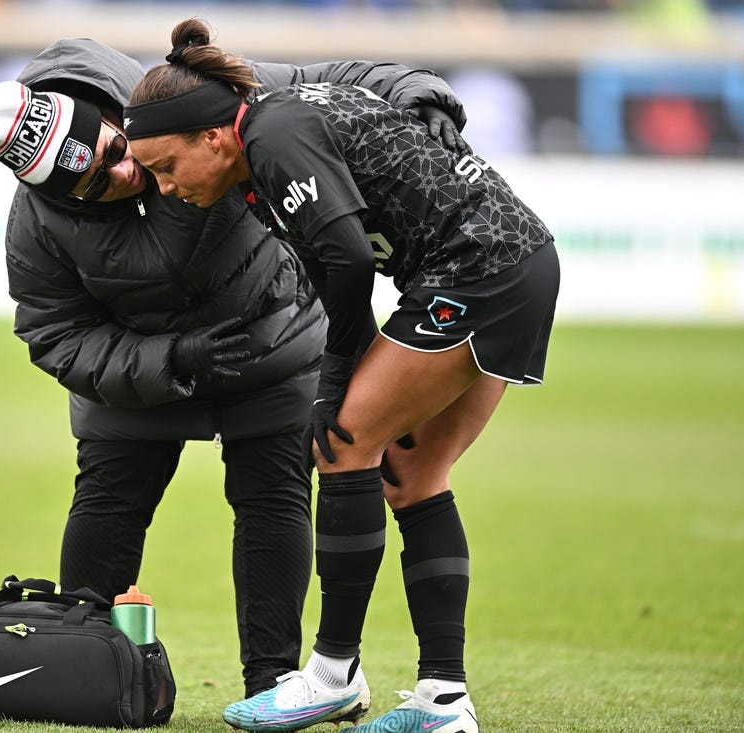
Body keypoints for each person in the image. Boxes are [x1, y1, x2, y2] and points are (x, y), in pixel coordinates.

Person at [0, 37, 471, 699]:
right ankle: (82, 668)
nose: (121, 174)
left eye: (116, 151)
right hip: (139, 376)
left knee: (274, 500)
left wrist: (418, 96)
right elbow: (55, 333)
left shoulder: (187, 100)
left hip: (272, 345)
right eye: (90, 185)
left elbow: (328, 79)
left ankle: (274, 682)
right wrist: (170, 359)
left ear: (114, 116)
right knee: (107, 500)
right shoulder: (36, 223)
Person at [123, 18, 560, 733]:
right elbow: (343, 256)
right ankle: (443, 702)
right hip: (516, 260)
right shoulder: (264, 138)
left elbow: (350, 260)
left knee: (343, 445)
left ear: (212, 137)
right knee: (414, 476)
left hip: (479, 268)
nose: (166, 188)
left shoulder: (272, 136)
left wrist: (335, 379)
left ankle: (332, 675)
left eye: (167, 167)